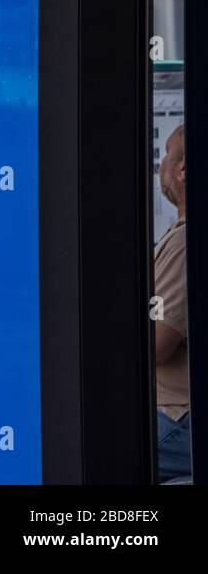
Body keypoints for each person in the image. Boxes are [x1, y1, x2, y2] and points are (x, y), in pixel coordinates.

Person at [153, 124, 191, 482]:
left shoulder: (184, 244)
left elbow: (158, 341)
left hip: (178, 417)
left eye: (166, 153)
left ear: (182, 170)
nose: (160, 164)